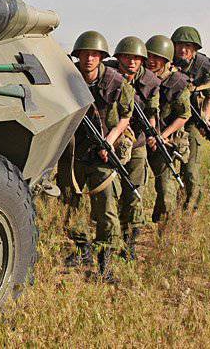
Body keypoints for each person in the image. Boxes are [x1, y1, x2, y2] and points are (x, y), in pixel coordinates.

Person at [64, 31, 135, 281]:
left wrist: (110, 140)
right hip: (75, 151)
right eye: (85, 54)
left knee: (106, 211)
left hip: (104, 153)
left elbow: (126, 117)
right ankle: (81, 249)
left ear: (102, 57)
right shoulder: (68, 78)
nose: (89, 59)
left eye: (94, 54)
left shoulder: (118, 83)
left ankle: (104, 263)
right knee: (70, 204)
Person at [112, 36, 160, 260]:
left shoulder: (150, 82)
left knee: (133, 192)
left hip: (138, 143)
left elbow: (152, 114)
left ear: (142, 60)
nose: (131, 62)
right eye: (127, 57)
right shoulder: (109, 75)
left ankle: (129, 242)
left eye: (136, 58)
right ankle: (108, 239)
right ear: (119, 58)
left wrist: (152, 134)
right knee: (111, 193)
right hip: (112, 141)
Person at [145, 35, 191, 224]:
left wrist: (162, 136)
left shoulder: (177, 83)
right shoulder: (140, 77)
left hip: (165, 139)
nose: (152, 61)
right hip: (140, 138)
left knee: (166, 190)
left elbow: (184, 115)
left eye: (157, 57)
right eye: (148, 56)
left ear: (167, 60)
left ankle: (165, 229)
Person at [171, 26, 210, 210]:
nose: (183, 50)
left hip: (191, 121)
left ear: (195, 48)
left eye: (188, 46)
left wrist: (205, 118)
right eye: (180, 45)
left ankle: (188, 211)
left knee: (190, 171)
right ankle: (166, 211)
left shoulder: (203, 65)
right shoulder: (165, 60)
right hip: (167, 121)